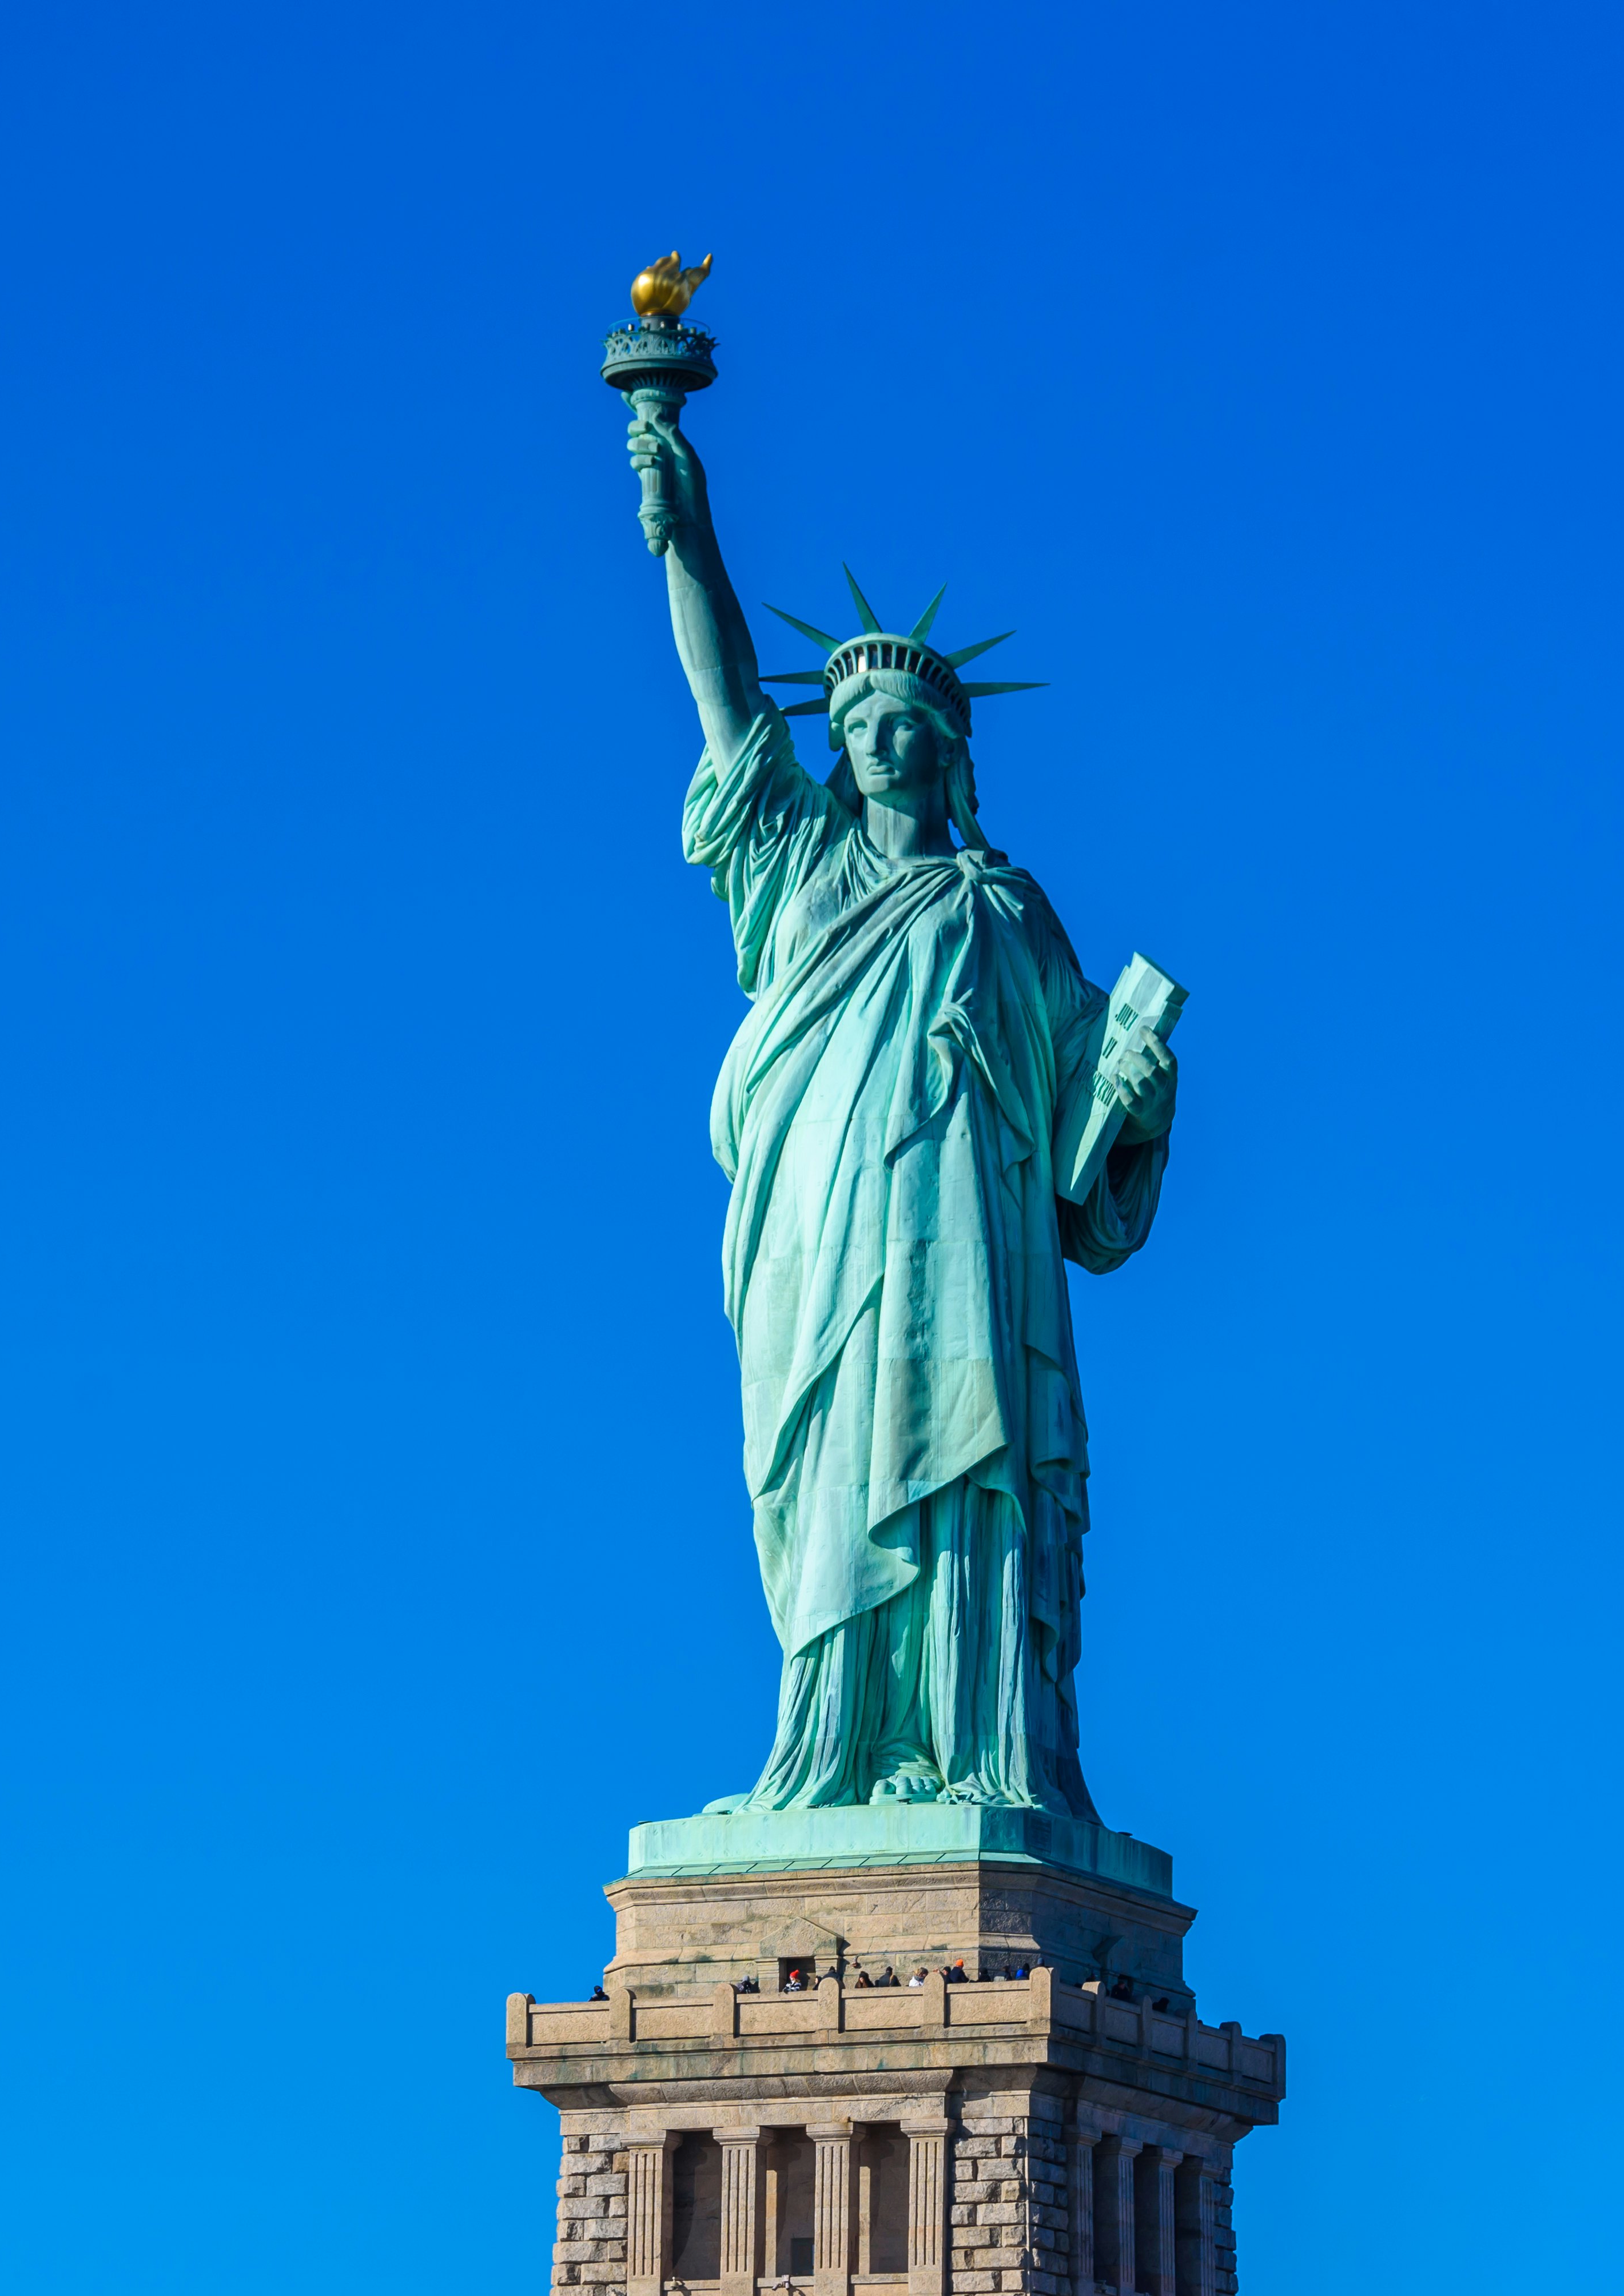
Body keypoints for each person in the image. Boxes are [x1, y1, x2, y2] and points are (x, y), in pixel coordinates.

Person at [624, 405, 1179, 1818]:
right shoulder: (794, 864)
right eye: (853, 724)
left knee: (963, 1462)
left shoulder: (1004, 911)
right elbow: (723, 696)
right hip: (817, 1234)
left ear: (946, 749)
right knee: (825, 1473)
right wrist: (682, 519)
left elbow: (1082, 1161)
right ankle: (827, 1745)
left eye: (899, 725)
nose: (872, 742)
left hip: (963, 1248)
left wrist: (1130, 1095)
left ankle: (972, 1741)